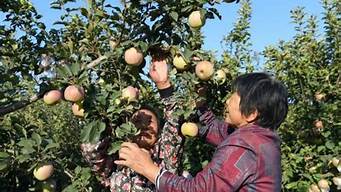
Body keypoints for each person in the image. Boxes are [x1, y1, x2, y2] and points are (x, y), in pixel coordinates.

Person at [114, 61, 289, 192]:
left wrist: (148, 168)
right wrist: (198, 102)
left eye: (234, 97)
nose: (227, 101)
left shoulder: (244, 145)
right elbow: (214, 127)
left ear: (252, 113)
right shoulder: (258, 138)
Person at [80, 57, 184, 191]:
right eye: (137, 121)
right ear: (127, 128)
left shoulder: (165, 157)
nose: (144, 125)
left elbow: (175, 123)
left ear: (159, 131)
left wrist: (163, 85)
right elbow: (90, 149)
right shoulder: (117, 161)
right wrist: (107, 115)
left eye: (149, 121)